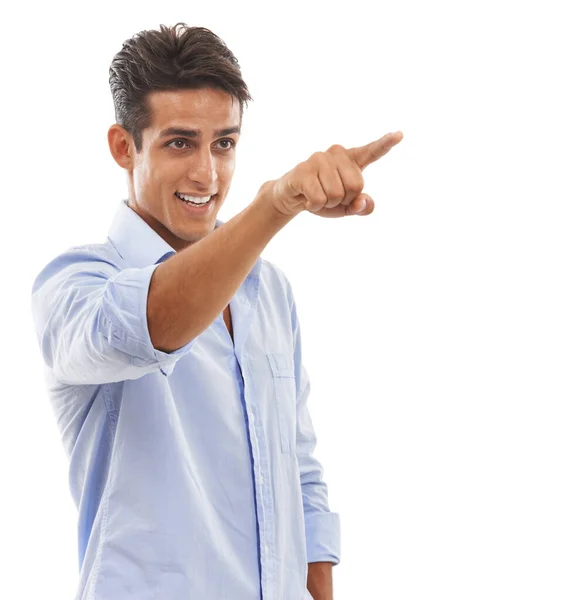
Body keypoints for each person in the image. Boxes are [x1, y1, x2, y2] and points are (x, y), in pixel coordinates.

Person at [30, 22, 403, 600]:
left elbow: (299, 472)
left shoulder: (269, 290)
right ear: (123, 146)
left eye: (223, 143)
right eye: (180, 142)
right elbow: (154, 324)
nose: (207, 174)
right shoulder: (74, 286)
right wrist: (275, 206)